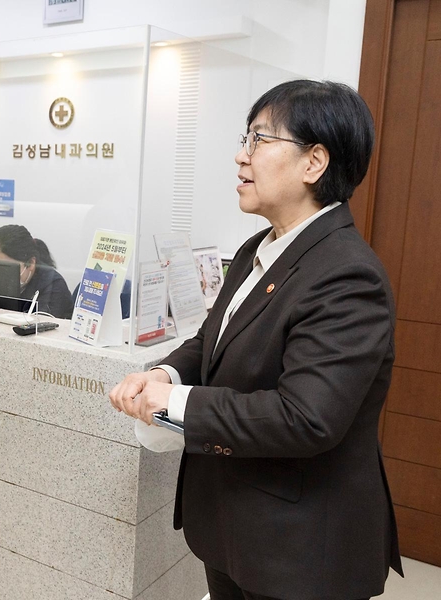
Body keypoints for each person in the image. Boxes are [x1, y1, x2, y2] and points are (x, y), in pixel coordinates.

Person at [109, 80, 403, 600]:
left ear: (314, 162)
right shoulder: (256, 248)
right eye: (245, 139)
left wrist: (177, 402)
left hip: (299, 549)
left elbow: (306, 417)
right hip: (233, 525)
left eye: (259, 140)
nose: (240, 157)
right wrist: (165, 374)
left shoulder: (348, 275)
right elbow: (211, 340)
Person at [0, 224, 74, 318]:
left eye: (6, 268)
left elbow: (40, 327)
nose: (0, 275)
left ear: (31, 263)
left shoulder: (54, 285)